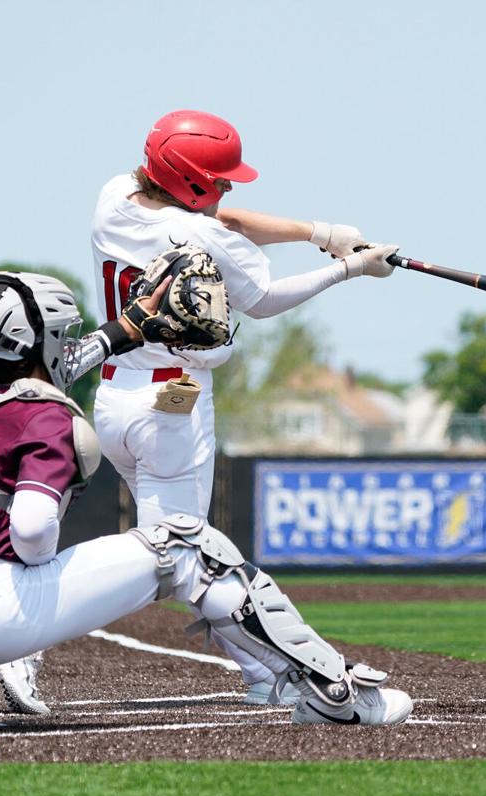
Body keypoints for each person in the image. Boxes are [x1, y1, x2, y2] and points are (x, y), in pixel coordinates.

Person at [0, 271, 411, 735]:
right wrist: (32, 573)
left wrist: (125, 328)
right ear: (41, 344)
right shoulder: (45, 416)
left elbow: (46, 370)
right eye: (61, 335)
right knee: (189, 544)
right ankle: (332, 693)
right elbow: (32, 534)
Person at [85, 109, 398, 706]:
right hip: (172, 407)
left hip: (114, 398)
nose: (228, 187)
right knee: (184, 556)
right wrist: (348, 268)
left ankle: (260, 672)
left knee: (180, 552)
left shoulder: (116, 196)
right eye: (219, 177)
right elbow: (262, 300)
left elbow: (216, 215)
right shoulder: (206, 238)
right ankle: (27, 640)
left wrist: (319, 231)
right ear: (191, 181)